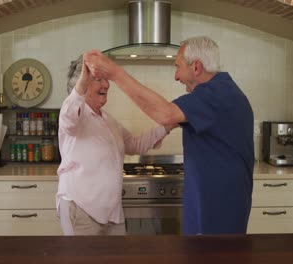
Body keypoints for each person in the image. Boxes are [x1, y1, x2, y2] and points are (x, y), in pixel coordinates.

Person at [84, 36, 254, 235]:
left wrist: (115, 73)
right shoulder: (218, 92)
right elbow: (169, 118)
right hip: (212, 198)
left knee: (215, 255)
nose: (176, 76)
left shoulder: (216, 93)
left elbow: (165, 114)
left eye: (178, 66)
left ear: (196, 67)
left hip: (218, 202)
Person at [56, 55, 173, 235]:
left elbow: (135, 144)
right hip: (81, 209)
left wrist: (169, 125)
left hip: (112, 214)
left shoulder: (108, 120)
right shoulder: (74, 117)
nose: (107, 85)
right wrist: (82, 82)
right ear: (82, 83)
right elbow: (68, 115)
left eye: (106, 79)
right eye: (98, 79)